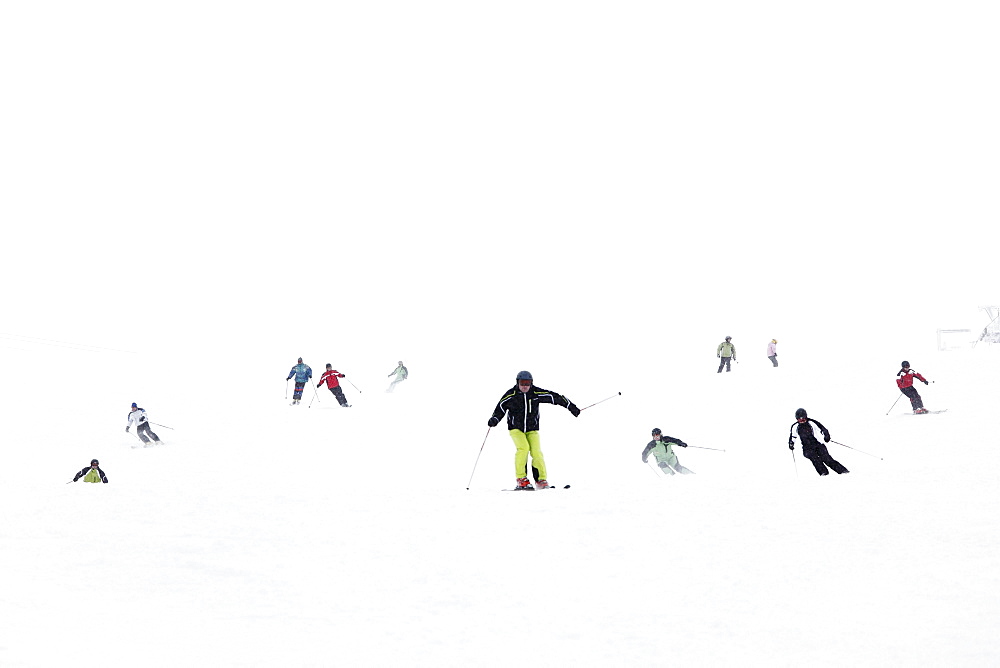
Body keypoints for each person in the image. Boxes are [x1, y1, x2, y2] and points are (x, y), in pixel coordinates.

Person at [487, 370, 580, 490]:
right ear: (517, 383)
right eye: (522, 383)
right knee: (523, 448)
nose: (525, 386)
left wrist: (570, 406)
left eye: (527, 383)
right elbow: (500, 408)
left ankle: (541, 480)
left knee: (536, 452)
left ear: (531, 383)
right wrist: (495, 419)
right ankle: (521, 479)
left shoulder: (536, 393)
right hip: (516, 428)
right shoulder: (511, 395)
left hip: (532, 428)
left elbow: (554, 397)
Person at [788, 408, 848, 476]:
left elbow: (823, 429)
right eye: (800, 419)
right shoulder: (795, 426)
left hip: (818, 444)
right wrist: (791, 443)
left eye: (803, 419)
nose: (802, 421)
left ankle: (843, 471)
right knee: (815, 459)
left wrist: (826, 436)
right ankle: (824, 473)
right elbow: (793, 436)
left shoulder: (812, 422)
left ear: (806, 417)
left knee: (826, 459)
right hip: (807, 447)